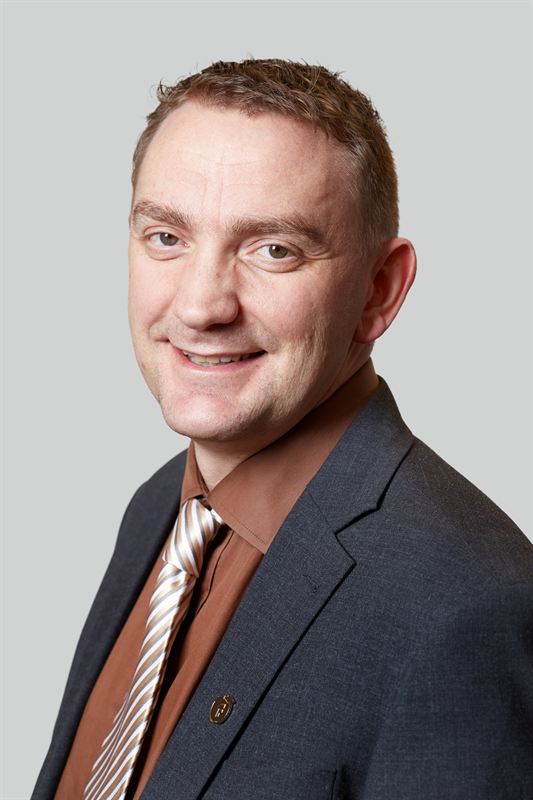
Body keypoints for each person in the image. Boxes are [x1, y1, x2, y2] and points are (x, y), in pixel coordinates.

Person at [33, 59, 533, 800]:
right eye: (166, 237)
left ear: (379, 291)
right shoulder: (157, 510)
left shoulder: (468, 602)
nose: (200, 307)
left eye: (274, 250)